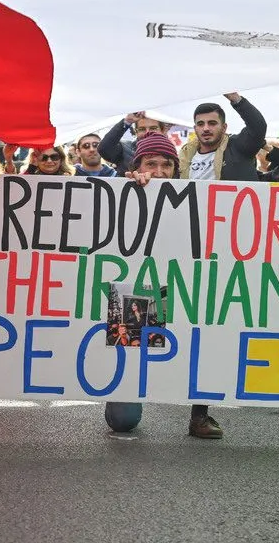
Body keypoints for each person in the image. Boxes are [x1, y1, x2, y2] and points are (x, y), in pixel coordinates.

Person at [103, 133, 224, 440]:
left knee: (200, 339)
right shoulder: (126, 190)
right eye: (151, 164)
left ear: (176, 168)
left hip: (182, 288)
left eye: (166, 165)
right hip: (139, 293)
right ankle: (124, 395)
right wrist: (127, 185)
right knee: (123, 420)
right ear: (137, 165)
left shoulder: (193, 199)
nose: (158, 172)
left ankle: (200, 414)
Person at [179, 94, 266, 180]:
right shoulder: (186, 154)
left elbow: (258, 126)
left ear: (224, 128)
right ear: (195, 128)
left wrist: (235, 98)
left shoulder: (238, 147)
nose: (206, 128)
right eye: (200, 124)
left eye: (212, 123)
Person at [98, 113, 168, 175]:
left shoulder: (170, 153)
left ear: (162, 131)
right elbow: (103, 149)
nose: (147, 132)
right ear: (136, 132)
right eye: (142, 129)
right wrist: (127, 121)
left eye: (153, 128)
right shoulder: (125, 149)